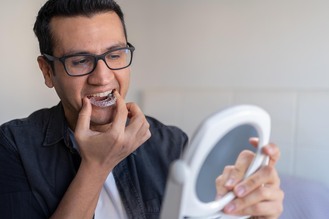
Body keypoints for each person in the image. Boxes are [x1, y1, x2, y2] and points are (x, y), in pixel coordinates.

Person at [0, 0, 284, 218]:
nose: (103, 76)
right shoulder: (12, 147)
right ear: (48, 72)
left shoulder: (171, 143)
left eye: (114, 55)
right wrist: (97, 166)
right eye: (79, 61)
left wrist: (252, 212)